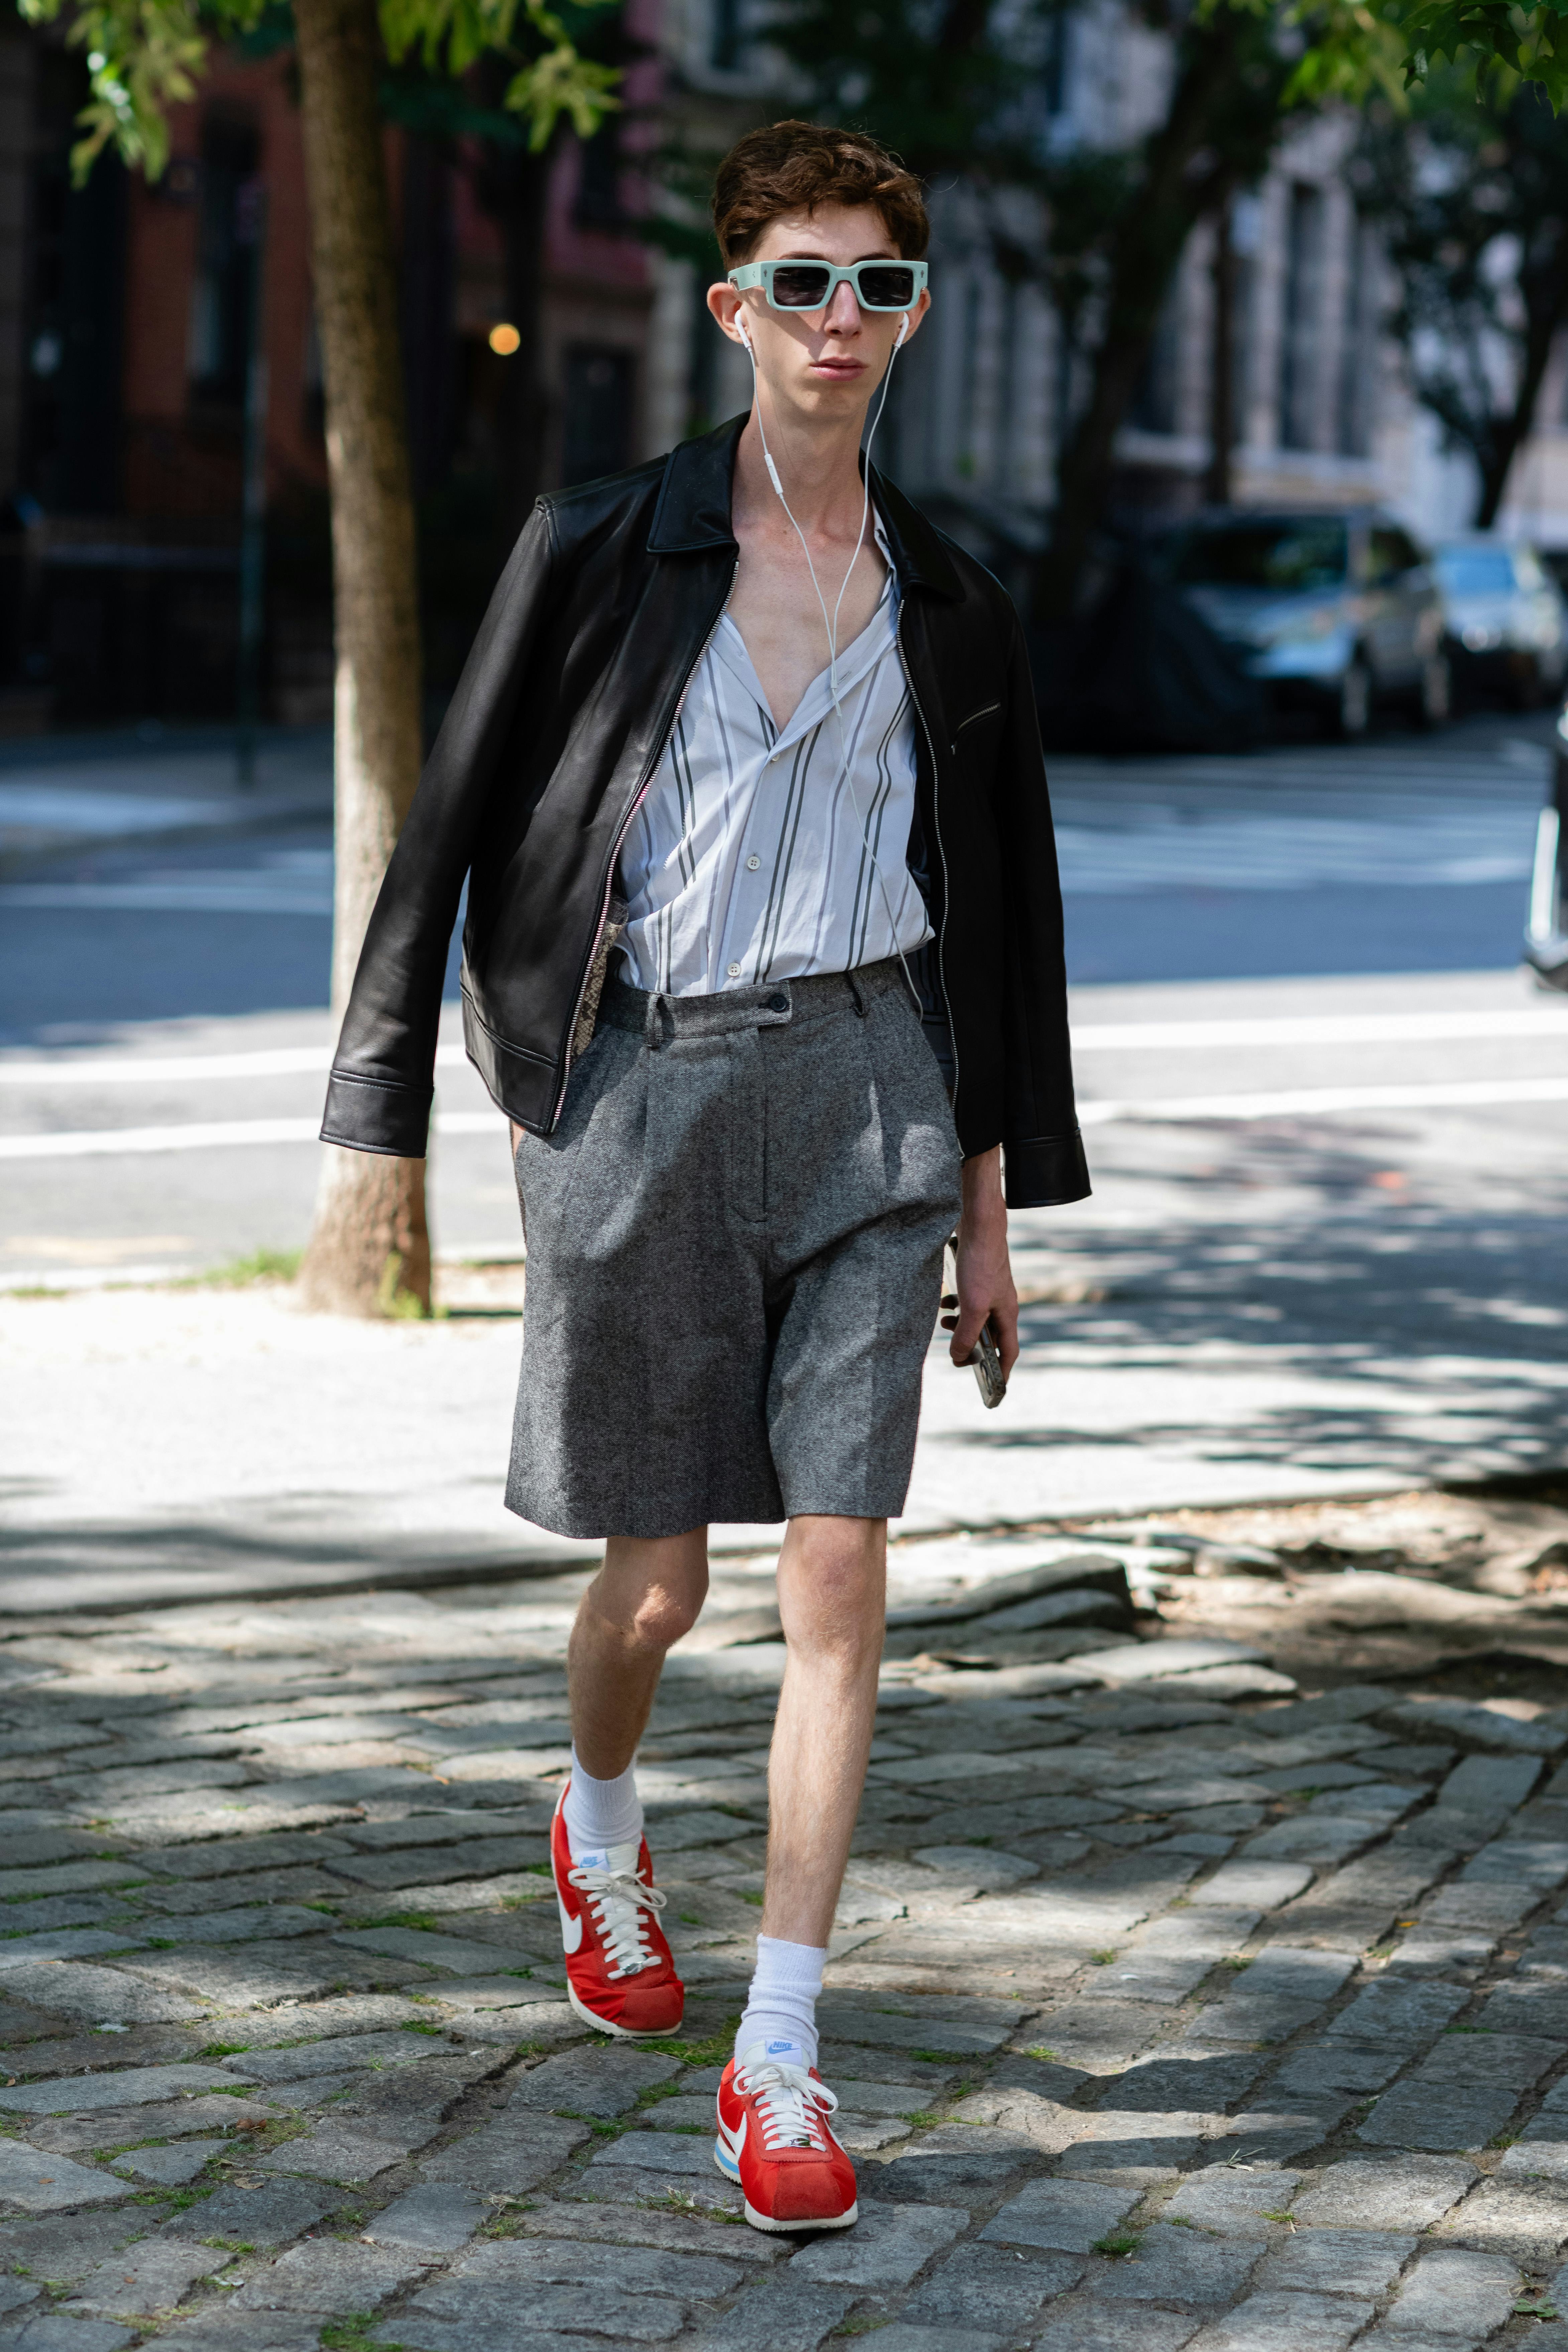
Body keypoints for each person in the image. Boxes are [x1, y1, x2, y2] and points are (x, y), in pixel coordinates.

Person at [319, 117, 1090, 2235]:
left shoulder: (954, 606)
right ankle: (595, 1819)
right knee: (652, 1588)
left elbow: (1003, 921)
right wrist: (438, 1108)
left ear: (909, 322)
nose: (844, 321)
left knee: (834, 1571)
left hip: (875, 1091)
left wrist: (992, 1214)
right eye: (808, 281)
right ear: (734, 304)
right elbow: (459, 825)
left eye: (883, 287)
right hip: (641, 1089)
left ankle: (779, 2060)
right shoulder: (600, 541)